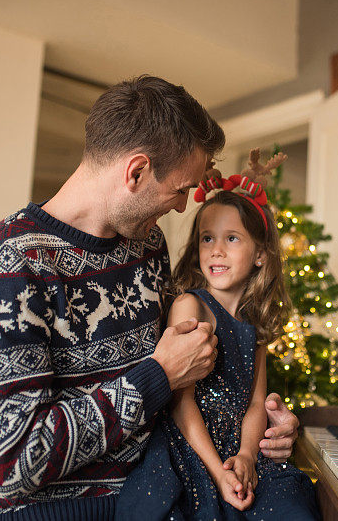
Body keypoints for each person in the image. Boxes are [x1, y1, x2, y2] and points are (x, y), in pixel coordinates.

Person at [0, 75, 299, 520]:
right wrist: (156, 376)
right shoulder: (5, 269)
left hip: (162, 493)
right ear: (136, 171)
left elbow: (191, 375)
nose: (180, 208)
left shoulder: (147, 245)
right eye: (180, 190)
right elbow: (13, 462)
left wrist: (266, 430)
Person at [116, 180, 319, 519]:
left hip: (239, 448)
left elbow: (256, 404)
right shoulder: (190, 306)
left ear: (260, 255)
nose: (216, 250)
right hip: (190, 450)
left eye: (232, 238)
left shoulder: (256, 327)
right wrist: (218, 471)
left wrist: (246, 457)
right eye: (207, 238)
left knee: (290, 503)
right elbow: (181, 402)